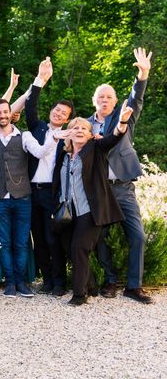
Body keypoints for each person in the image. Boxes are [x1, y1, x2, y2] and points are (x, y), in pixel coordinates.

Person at [88, 47, 153, 304]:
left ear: (116, 102)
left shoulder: (125, 117)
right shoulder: (85, 124)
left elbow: (136, 98)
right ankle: (110, 280)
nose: (105, 100)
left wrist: (143, 74)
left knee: (137, 236)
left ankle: (133, 286)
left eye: (109, 97)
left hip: (124, 187)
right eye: (100, 97)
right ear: (95, 101)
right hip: (100, 189)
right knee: (100, 237)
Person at [52, 102, 133, 306]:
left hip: (90, 211)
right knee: (69, 248)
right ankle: (91, 285)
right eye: (75, 127)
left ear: (91, 134)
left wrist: (122, 121)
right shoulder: (62, 154)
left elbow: (115, 136)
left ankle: (80, 295)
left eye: (84, 128)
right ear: (68, 133)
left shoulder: (96, 149)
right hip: (68, 211)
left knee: (80, 248)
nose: (79, 130)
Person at [0, 99, 59, 298]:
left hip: (22, 198)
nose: (2, 116)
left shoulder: (24, 135)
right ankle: (9, 282)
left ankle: (21, 282)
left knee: (20, 242)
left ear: (11, 113)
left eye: (5, 112)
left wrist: (54, 138)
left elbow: (40, 152)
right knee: (3, 242)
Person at [25, 57, 74, 295]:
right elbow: (30, 105)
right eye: (56, 109)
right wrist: (39, 80)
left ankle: (59, 282)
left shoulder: (68, 137)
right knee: (38, 240)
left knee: (53, 238)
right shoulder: (38, 127)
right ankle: (46, 281)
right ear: (52, 111)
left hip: (53, 193)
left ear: (67, 119)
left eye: (63, 113)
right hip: (32, 192)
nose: (58, 113)